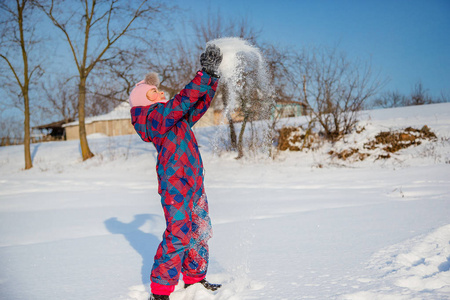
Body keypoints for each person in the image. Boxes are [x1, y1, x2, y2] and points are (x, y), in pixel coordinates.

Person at [129, 44, 223, 300]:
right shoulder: (153, 119)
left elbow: (196, 105)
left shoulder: (173, 117)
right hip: (175, 183)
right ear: (142, 101)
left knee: (199, 230)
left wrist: (212, 78)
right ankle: (160, 291)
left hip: (194, 181)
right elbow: (182, 101)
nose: (158, 92)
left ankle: (194, 279)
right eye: (152, 92)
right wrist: (202, 74)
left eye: (158, 90)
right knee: (179, 233)